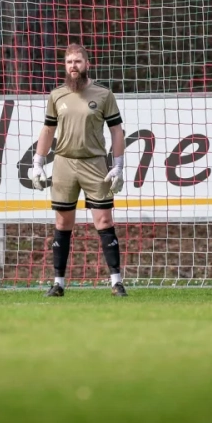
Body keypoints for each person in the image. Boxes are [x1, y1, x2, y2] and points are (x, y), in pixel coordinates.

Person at [30, 43, 127, 297]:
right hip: (64, 163)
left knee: (104, 220)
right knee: (63, 222)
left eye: (78, 61)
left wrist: (118, 165)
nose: (74, 66)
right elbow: (48, 130)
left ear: (87, 64)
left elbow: (116, 131)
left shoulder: (103, 94)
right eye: (69, 62)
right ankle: (58, 283)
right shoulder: (57, 95)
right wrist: (38, 162)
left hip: (94, 163)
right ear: (65, 66)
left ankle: (116, 282)